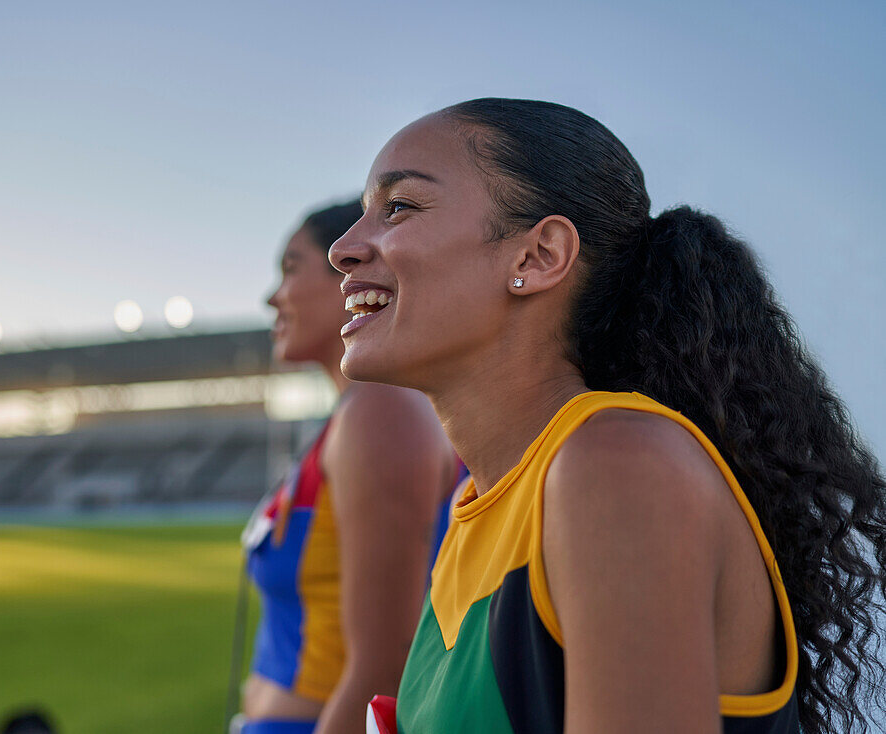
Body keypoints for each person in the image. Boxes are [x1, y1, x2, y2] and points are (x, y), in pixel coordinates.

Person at [329, 99, 886, 734]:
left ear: (538, 257)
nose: (343, 251)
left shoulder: (619, 466)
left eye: (399, 207)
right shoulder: (479, 506)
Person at [239, 200, 458, 734]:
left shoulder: (378, 411)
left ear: (355, 276)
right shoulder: (360, 413)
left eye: (291, 268)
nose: (273, 297)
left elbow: (385, 664)